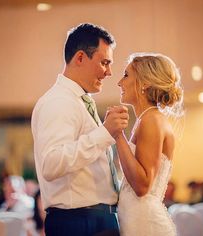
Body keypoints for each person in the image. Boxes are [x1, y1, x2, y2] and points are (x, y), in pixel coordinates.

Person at [31, 23, 128, 236]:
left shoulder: (80, 100)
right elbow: (51, 163)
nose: (109, 72)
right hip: (79, 222)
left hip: (95, 219)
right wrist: (104, 133)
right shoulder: (57, 102)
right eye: (104, 63)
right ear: (81, 58)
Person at [113, 52, 184, 235]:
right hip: (137, 221)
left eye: (126, 75)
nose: (119, 82)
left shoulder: (151, 120)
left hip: (145, 225)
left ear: (144, 83)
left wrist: (118, 135)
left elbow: (142, 185)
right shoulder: (146, 119)